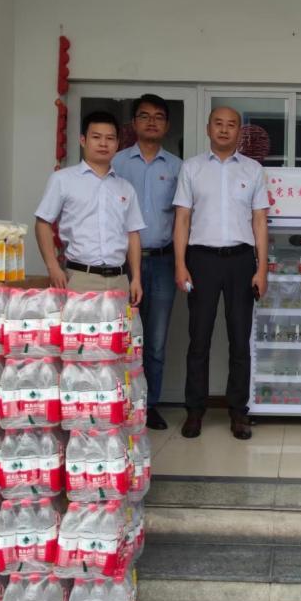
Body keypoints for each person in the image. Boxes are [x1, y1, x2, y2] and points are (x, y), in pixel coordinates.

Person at [173, 106, 269, 441]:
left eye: (231, 125)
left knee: (240, 339)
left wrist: (262, 268)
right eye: (219, 124)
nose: (225, 130)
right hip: (201, 260)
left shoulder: (253, 170)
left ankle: (238, 412)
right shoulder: (192, 168)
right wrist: (180, 263)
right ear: (208, 128)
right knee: (198, 338)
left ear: (240, 132)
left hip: (241, 261)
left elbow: (260, 221)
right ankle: (194, 410)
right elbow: (182, 218)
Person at [113, 94, 182, 432]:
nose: (152, 122)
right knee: (121, 336)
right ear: (134, 123)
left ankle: (148, 404)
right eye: (144, 116)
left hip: (163, 262)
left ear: (166, 125)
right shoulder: (116, 163)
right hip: (122, 265)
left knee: (154, 340)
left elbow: (184, 219)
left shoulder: (177, 167)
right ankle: (119, 403)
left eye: (158, 117)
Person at [34, 110, 144, 304]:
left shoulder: (125, 187)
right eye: (96, 137)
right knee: (79, 326)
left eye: (110, 138)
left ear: (117, 144)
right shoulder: (62, 179)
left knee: (120, 325)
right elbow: (42, 222)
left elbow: (133, 234)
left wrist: (136, 278)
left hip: (119, 280)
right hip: (79, 278)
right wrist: (53, 267)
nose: (103, 143)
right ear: (83, 140)